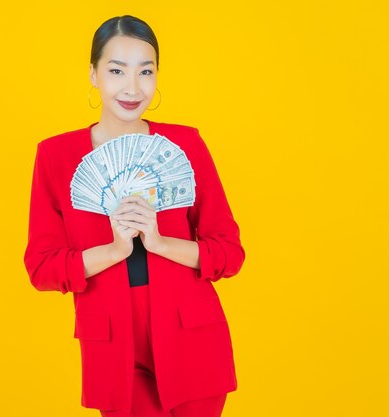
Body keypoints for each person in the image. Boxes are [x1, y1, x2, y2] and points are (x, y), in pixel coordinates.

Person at [23, 15, 245, 417]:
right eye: (116, 71)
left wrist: (159, 243)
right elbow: (42, 267)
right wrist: (114, 249)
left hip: (191, 338)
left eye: (146, 71)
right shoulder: (55, 157)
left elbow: (229, 253)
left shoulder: (185, 144)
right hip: (112, 346)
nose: (132, 87)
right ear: (93, 74)